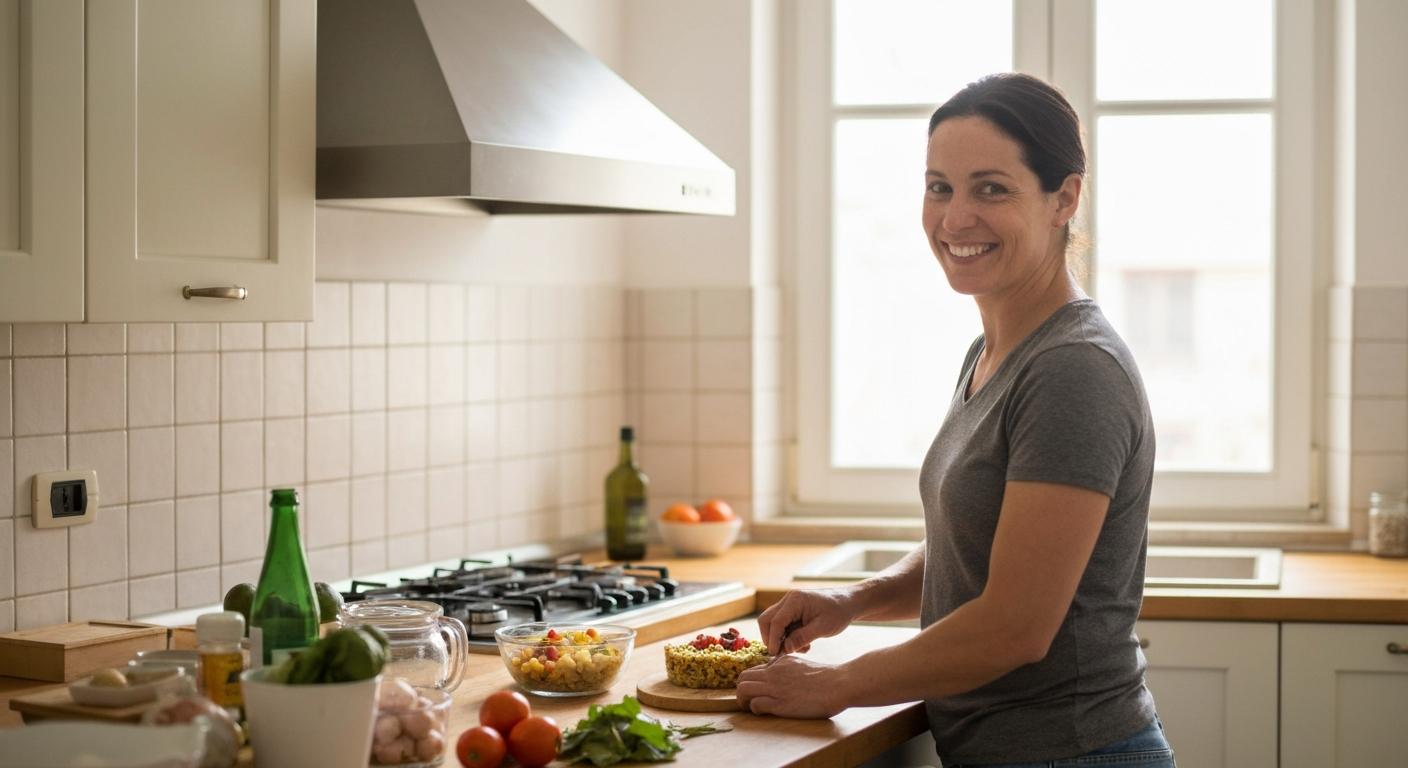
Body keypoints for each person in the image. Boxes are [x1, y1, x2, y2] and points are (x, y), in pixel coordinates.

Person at [736, 73, 1173, 766]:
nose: (954, 217)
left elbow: (1014, 627)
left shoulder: (1072, 370)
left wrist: (839, 683)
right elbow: (974, 556)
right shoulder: (995, 350)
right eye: (939, 186)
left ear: (1065, 198)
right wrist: (851, 603)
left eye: (990, 188)